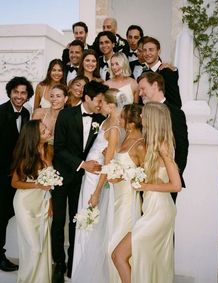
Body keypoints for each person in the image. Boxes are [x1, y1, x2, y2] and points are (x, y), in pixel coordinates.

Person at [112, 102, 182, 283]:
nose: (140, 117)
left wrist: (145, 186)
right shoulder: (151, 143)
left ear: (152, 119)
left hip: (160, 211)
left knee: (119, 255)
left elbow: (176, 186)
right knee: (145, 259)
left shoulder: (163, 146)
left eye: (144, 115)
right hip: (151, 208)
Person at [52, 80, 109, 283]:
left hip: (84, 182)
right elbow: (58, 147)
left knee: (77, 221)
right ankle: (58, 263)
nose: (100, 104)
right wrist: (82, 164)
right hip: (61, 175)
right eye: (99, 100)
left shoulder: (102, 119)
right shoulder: (66, 115)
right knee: (58, 221)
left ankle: (72, 265)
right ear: (87, 98)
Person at [72, 88, 120, 283]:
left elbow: (108, 165)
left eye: (102, 102)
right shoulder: (104, 122)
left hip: (96, 182)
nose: (98, 105)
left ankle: (90, 273)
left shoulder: (115, 129)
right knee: (84, 223)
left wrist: (97, 192)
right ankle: (79, 269)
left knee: (91, 223)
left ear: (111, 105)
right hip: (88, 177)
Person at [11, 120, 53, 283]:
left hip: (42, 203)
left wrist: (50, 203)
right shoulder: (26, 155)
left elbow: (51, 182)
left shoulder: (50, 150)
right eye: (43, 131)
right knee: (33, 248)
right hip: (25, 205)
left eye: (46, 127)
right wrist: (38, 184)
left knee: (42, 245)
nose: (48, 131)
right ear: (35, 137)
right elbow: (15, 182)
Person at [108, 104, 145, 283]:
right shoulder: (125, 139)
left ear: (130, 123)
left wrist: (123, 175)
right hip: (116, 199)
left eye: (122, 117)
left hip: (128, 202)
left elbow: (146, 175)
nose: (120, 120)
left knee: (115, 247)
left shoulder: (139, 144)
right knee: (111, 244)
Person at [138, 71, 188, 202]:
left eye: (143, 89)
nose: (140, 93)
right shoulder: (141, 113)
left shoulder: (176, 114)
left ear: (155, 85)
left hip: (166, 183)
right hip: (145, 182)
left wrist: (170, 179)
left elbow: (182, 150)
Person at [0, 76, 34, 272]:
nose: (19, 96)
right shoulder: (1, 112)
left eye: (23, 93)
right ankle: (0, 255)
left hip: (17, 173)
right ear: (10, 92)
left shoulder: (27, 114)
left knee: (9, 212)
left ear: (27, 95)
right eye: (16, 92)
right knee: (1, 215)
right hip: (1, 173)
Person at [142, 36, 182, 108]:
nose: (147, 53)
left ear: (158, 51)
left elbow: (176, 102)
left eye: (151, 50)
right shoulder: (144, 73)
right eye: (144, 50)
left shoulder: (166, 72)